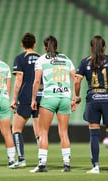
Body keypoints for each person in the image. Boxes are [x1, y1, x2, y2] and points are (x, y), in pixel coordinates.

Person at [74, 35, 108, 174]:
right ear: (104, 47)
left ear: (91, 48)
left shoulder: (84, 62)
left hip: (93, 98)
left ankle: (95, 167)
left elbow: (77, 81)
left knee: (94, 135)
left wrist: (77, 96)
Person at [30, 35, 76, 173]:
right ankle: (67, 164)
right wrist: (75, 97)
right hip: (64, 97)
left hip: (49, 97)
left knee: (43, 132)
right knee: (64, 132)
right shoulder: (66, 59)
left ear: (44, 47)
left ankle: (42, 164)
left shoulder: (41, 60)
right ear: (56, 46)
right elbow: (76, 79)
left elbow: (37, 81)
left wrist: (33, 99)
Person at [9, 33, 42, 169]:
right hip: (41, 95)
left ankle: (21, 159)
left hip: (26, 96)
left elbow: (18, 80)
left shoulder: (20, 58)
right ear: (34, 44)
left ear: (22, 44)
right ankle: (42, 160)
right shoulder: (41, 58)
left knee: (16, 128)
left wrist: (14, 99)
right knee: (39, 132)